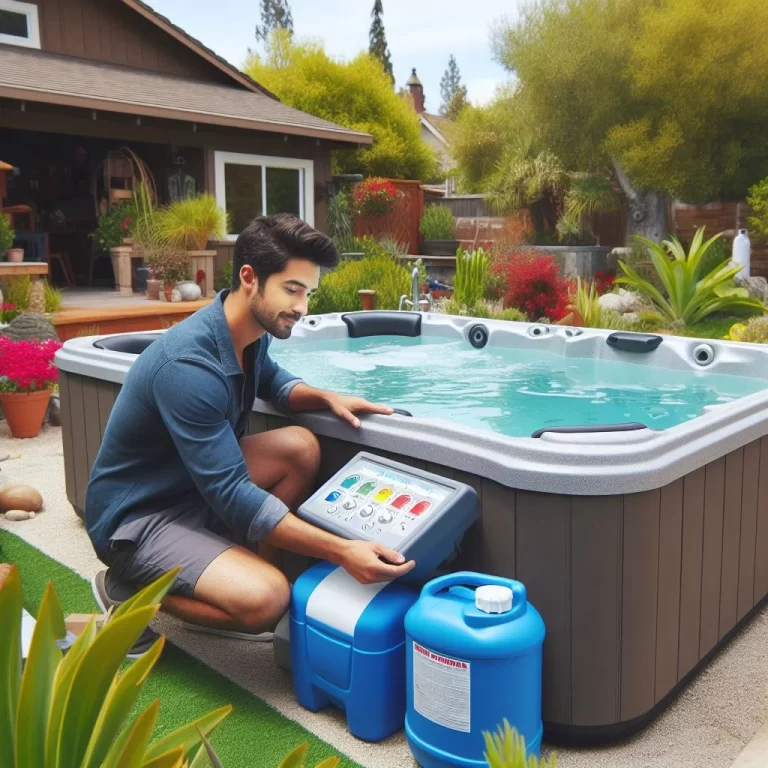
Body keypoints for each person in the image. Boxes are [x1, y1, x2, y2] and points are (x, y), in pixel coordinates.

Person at [87, 213, 415, 656]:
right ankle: (127, 589)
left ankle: (245, 573)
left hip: (186, 486)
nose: (303, 307)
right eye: (292, 290)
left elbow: (274, 383)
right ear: (249, 277)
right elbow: (232, 493)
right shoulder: (188, 367)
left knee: (299, 447)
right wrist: (343, 550)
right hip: (138, 519)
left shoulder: (245, 331)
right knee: (267, 598)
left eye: (308, 293)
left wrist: (328, 397)